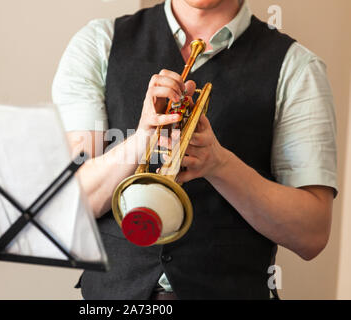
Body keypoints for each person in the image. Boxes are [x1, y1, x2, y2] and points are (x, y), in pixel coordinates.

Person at [52, 0, 337, 299]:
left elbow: (312, 234)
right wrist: (140, 140)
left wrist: (220, 165)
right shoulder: (99, 42)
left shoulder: (297, 67)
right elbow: (70, 203)